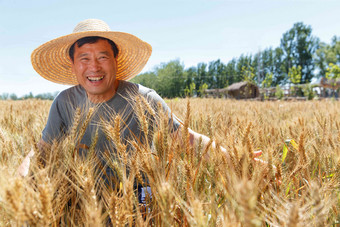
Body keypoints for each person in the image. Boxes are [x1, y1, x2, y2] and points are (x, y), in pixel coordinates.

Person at [18, 19, 262, 183]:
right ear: (73, 65)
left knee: (146, 202)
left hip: (140, 198)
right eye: (84, 59)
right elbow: (43, 150)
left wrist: (237, 160)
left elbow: (186, 139)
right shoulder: (64, 102)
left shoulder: (143, 99)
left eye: (103, 57)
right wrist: (17, 183)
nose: (94, 67)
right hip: (85, 199)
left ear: (116, 59)